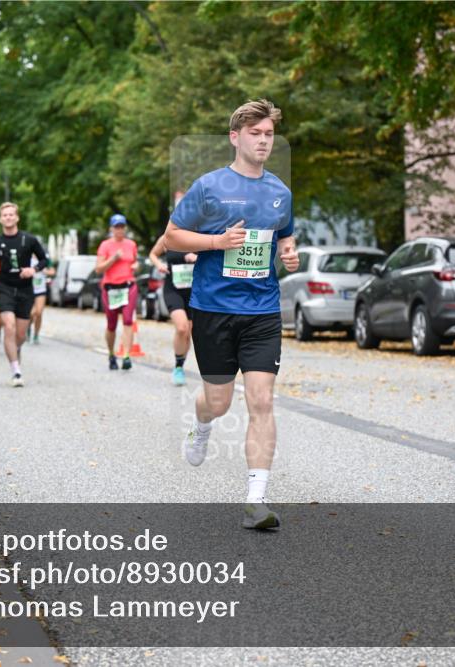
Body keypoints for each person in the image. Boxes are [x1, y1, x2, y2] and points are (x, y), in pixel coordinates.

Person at [164, 99, 299, 530]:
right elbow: (171, 238)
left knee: (261, 400)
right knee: (219, 402)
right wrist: (215, 244)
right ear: (235, 137)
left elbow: (284, 239)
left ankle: (256, 501)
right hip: (213, 309)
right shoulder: (209, 187)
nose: (263, 141)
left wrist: (289, 255)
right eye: (255, 134)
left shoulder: (280, 192)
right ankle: (201, 424)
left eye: (269, 134)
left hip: (261, 311)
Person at [0, 202, 48, 387]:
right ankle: (16, 371)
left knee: (20, 334)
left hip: (25, 290)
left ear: (17, 217)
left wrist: (33, 270)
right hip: (5, 288)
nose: (8, 218)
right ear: (0, 219)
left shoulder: (29, 239)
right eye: (5, 215)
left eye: (12, 215)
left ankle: (16, 348)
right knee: (8, 326)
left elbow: (44, 260)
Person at [149, 234, 197, 385]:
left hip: (194, 290)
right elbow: (153, 254)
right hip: (173, 289)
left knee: (188, 332)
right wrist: (159, 265)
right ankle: (177, 367)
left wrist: (196, 258)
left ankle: (180, 366)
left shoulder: (200, 235)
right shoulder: (168, 237)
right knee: (182, 328)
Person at [96, 214, 139, 370]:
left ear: (125, 228)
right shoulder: (105, 245)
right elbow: (98, 269)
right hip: (110, 288)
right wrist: (113, 258)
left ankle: (126, 356)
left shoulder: (131, 244)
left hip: (128, 285)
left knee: (128, 320)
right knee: (111, 325)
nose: (119, 230)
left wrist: (136, 267)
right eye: (116, 227)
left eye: (122, 227)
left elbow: (135, 262)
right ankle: (111, 353)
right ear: (111, 229)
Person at [29, 255, 53, 344]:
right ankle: (28, 326)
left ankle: (36, 334)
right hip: (29, 289)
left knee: (39, 312)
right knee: (30, 313)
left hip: (41, 289)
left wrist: (45, 271)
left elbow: (52, 271)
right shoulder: (27, 256)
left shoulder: (44, 257)